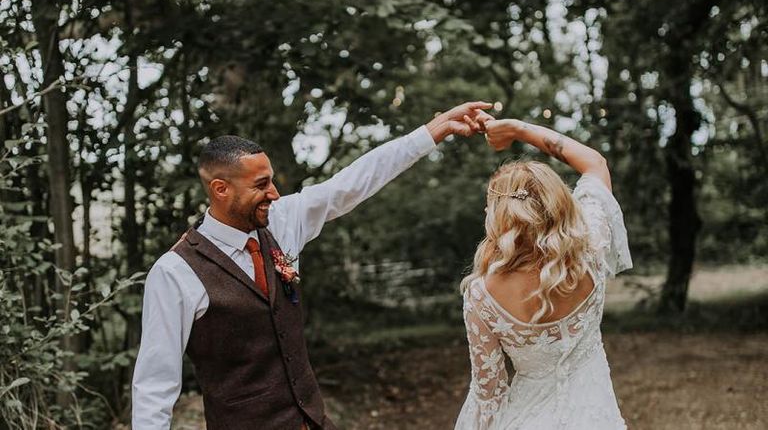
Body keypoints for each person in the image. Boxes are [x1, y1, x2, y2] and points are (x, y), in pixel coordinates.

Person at [131, 101, 491, 430]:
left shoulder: (281, 220)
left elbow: (350, 184)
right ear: (221, 189)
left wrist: (433, 132)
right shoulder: (175, 272)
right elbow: (154, 387)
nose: (273, 193)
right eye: (261, 184)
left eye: (271, 179)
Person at [454, 115, 632, 430]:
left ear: (500, 217)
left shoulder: (481, 294)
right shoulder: (590, 248)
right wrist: (520, 130)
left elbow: (489, 395)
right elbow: (595, 164)